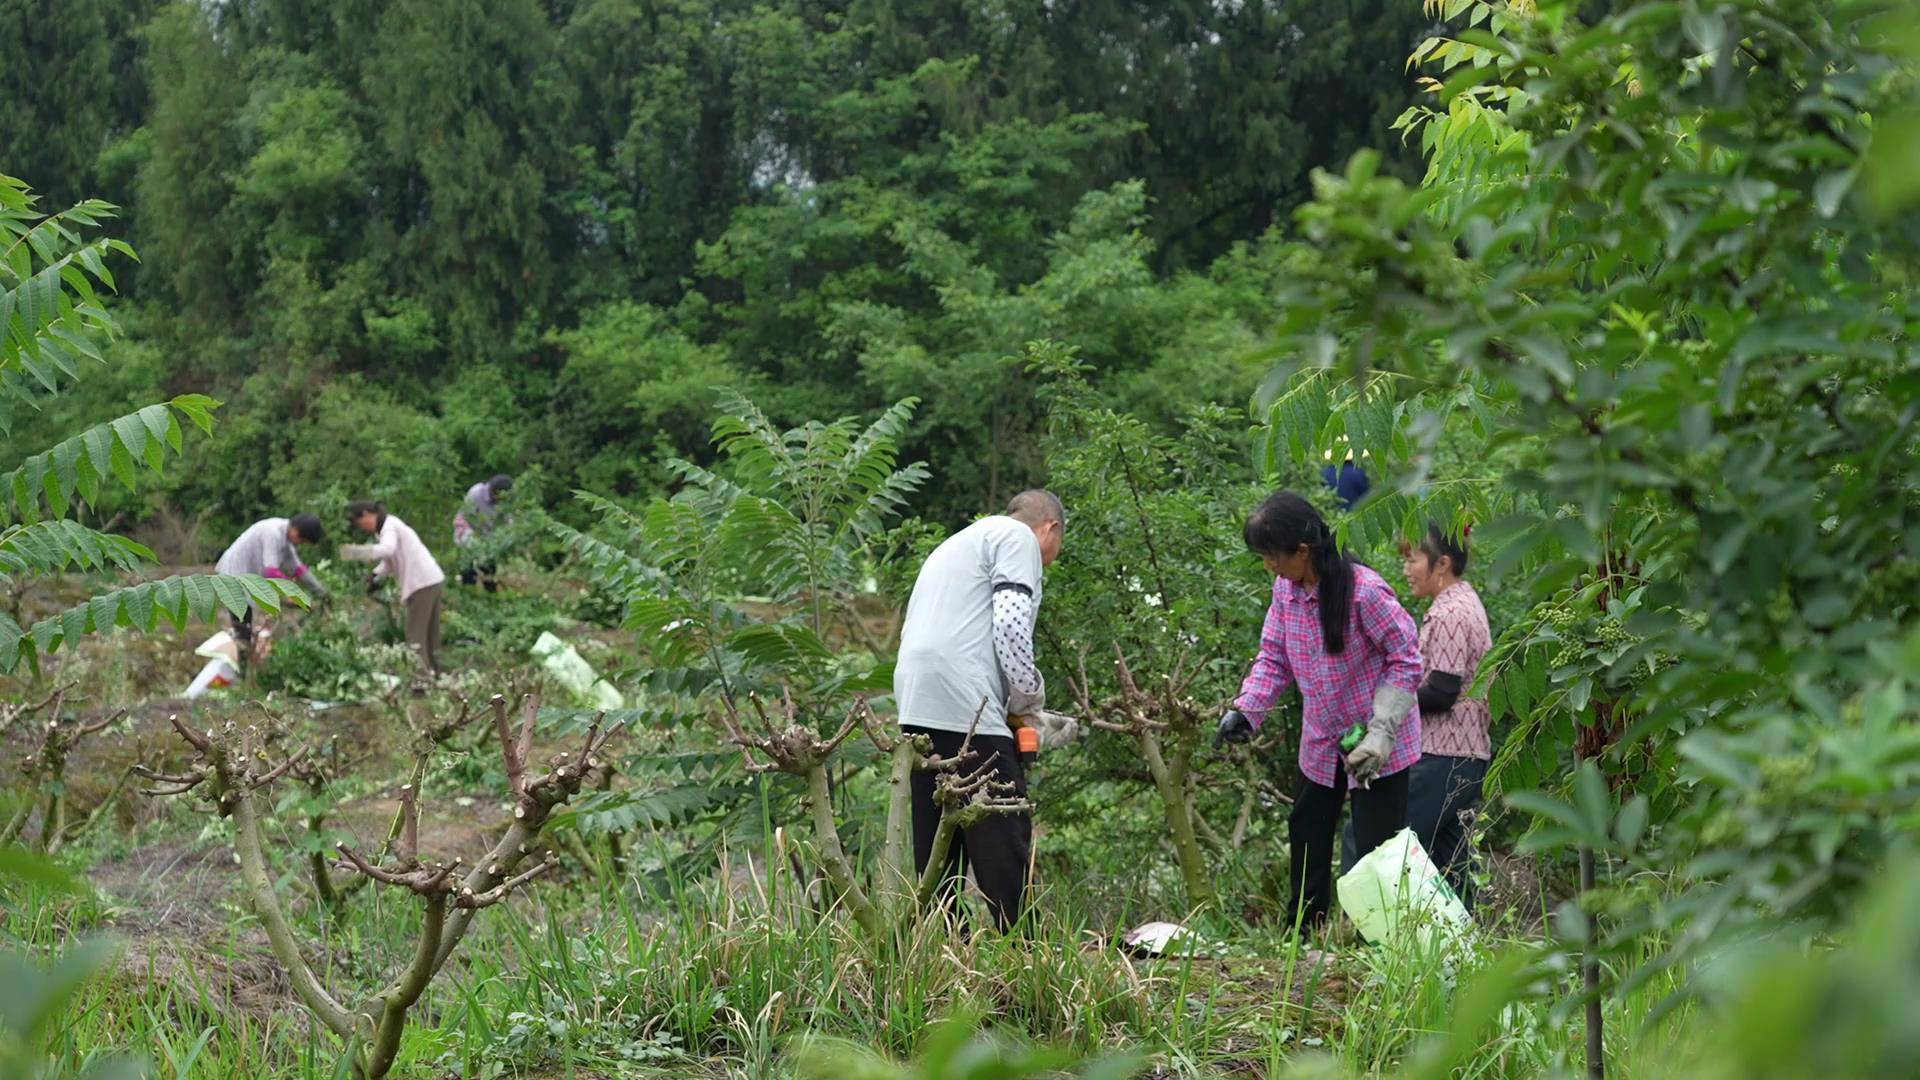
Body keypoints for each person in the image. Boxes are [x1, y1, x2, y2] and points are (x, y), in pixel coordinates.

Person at [1217, 491, 1421, 932]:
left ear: (1303, 551)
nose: (1270, 566)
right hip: (1323, 739)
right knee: (1306, 827)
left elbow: (1406, 658)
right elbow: (1273, 657)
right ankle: (1303, 934)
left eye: (1273, 556)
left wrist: (1381, 734)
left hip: (1376, 742)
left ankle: (1383, 945)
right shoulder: (1286, 591)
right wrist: (1247, 710)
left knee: (1375, 849)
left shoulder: (1364, 591)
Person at [893, 489, 1065, 930]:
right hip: (966, 698)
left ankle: (943, 953)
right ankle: (1025, 956)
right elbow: (1010, 623)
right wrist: (1030, 702)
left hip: (916, 698)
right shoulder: (1018, 537)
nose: (1050, 560)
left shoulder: (959, 544)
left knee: (937, 849)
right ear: (1051, 528)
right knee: (1002, 836)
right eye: (1055, 549)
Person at [1401, 522, 1493, 908]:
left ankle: (1378, 943)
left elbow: (1442, 689)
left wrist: (1389, 701)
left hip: (1443, 753)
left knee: (1395, 849)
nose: (1406, 569)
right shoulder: (1463, 602)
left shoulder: (1450, 613)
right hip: (1466, 754)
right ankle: (1470, 952)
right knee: (1450, 862)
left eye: (1412, 559)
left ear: (1442, 564)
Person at [339, 501, 446, 677]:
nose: (363, 528)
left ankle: (421, 680)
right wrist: (374, 576)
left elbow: (388, 550)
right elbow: (389, 562)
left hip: (421, 583)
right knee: (430, 633)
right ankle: (438, 674)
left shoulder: (389, 526)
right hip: (431, 579)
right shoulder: (387, 528)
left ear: (367, 514)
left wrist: (355, 552)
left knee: (415, 634)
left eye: (360, 523)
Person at [215, 514, 328, 650]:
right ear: (296, 531)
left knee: (248, 627)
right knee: (243, 629)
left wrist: (321, 592)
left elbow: (298, 569)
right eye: (302, 541)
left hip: (248, 579)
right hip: (233, 575)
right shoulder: (273, 533)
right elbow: (271, 571)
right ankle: (239, 662)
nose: (300, 544)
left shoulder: (286, 539)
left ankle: (244, 660)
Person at [453, 474, 513, 591]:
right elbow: (465, 517)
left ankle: (490, 594)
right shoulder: (476, 494)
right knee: (468, 566)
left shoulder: (506, 502)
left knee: (489, 566)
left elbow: (508, 521)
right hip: (468, 530)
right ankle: (468, 591)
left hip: (488, 536)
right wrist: (475, 539)